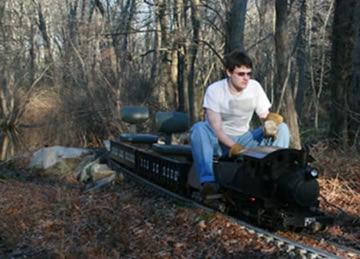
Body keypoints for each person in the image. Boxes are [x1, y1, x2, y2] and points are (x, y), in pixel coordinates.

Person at [190, 50, 290, 198]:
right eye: (241, 74)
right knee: (199, 128)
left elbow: (264, 115)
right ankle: (208, 183)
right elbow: (216, 128)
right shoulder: (215, 90)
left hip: (244, 139)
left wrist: (270, 122)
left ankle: (275, 176)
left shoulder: (254, 87)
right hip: (219, 142)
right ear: (229, 72)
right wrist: (234, 147)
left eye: (248, 74)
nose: (246, 78)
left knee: (283, 128)